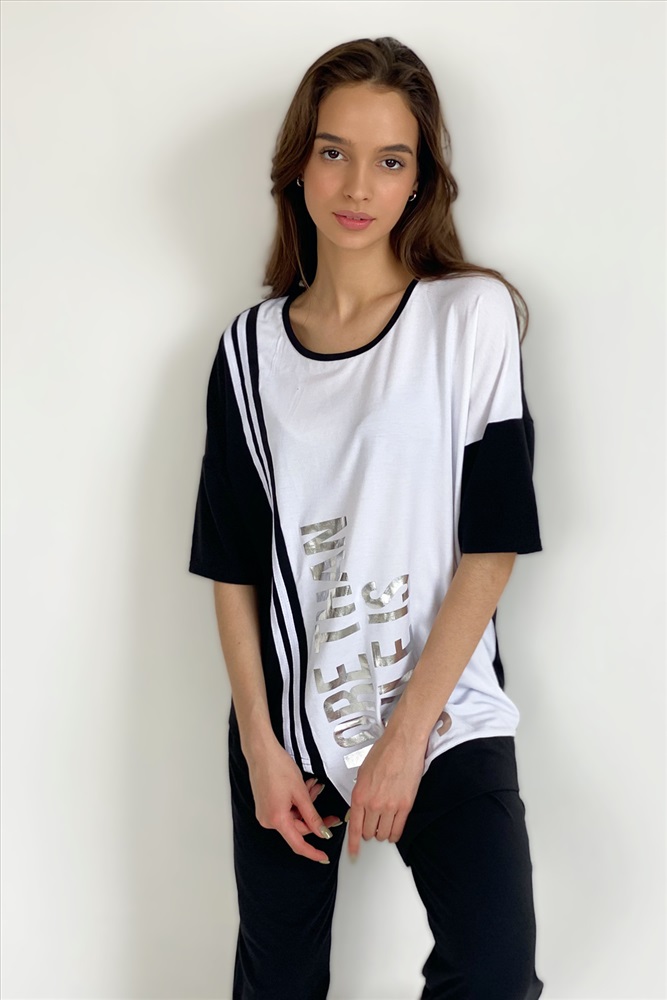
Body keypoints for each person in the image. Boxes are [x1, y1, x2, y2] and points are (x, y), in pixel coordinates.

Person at [189, 35, 545, 1000]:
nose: (357, 186)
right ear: (298, 163)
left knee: (493, 974)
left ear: (419, 179)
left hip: (443, 708)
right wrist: (259, 746)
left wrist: (402, 741)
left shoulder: (469, 316)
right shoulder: (248, 351)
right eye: (334, 151)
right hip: (289, 729)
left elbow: (492, 544)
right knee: (278, 985)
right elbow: (232, 565)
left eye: (390, 160)